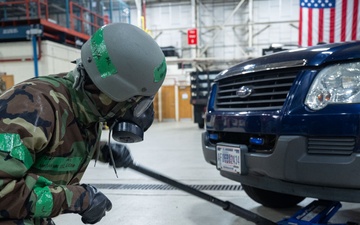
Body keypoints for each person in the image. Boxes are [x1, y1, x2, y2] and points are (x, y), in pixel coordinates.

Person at [0, 22, 167, 225]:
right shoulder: (32, 109)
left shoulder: (90, 108)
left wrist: (102, 151)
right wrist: (77, 199)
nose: (138, 113)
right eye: (138, 103)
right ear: (112, 92)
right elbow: (3, 193)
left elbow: (53, 143)